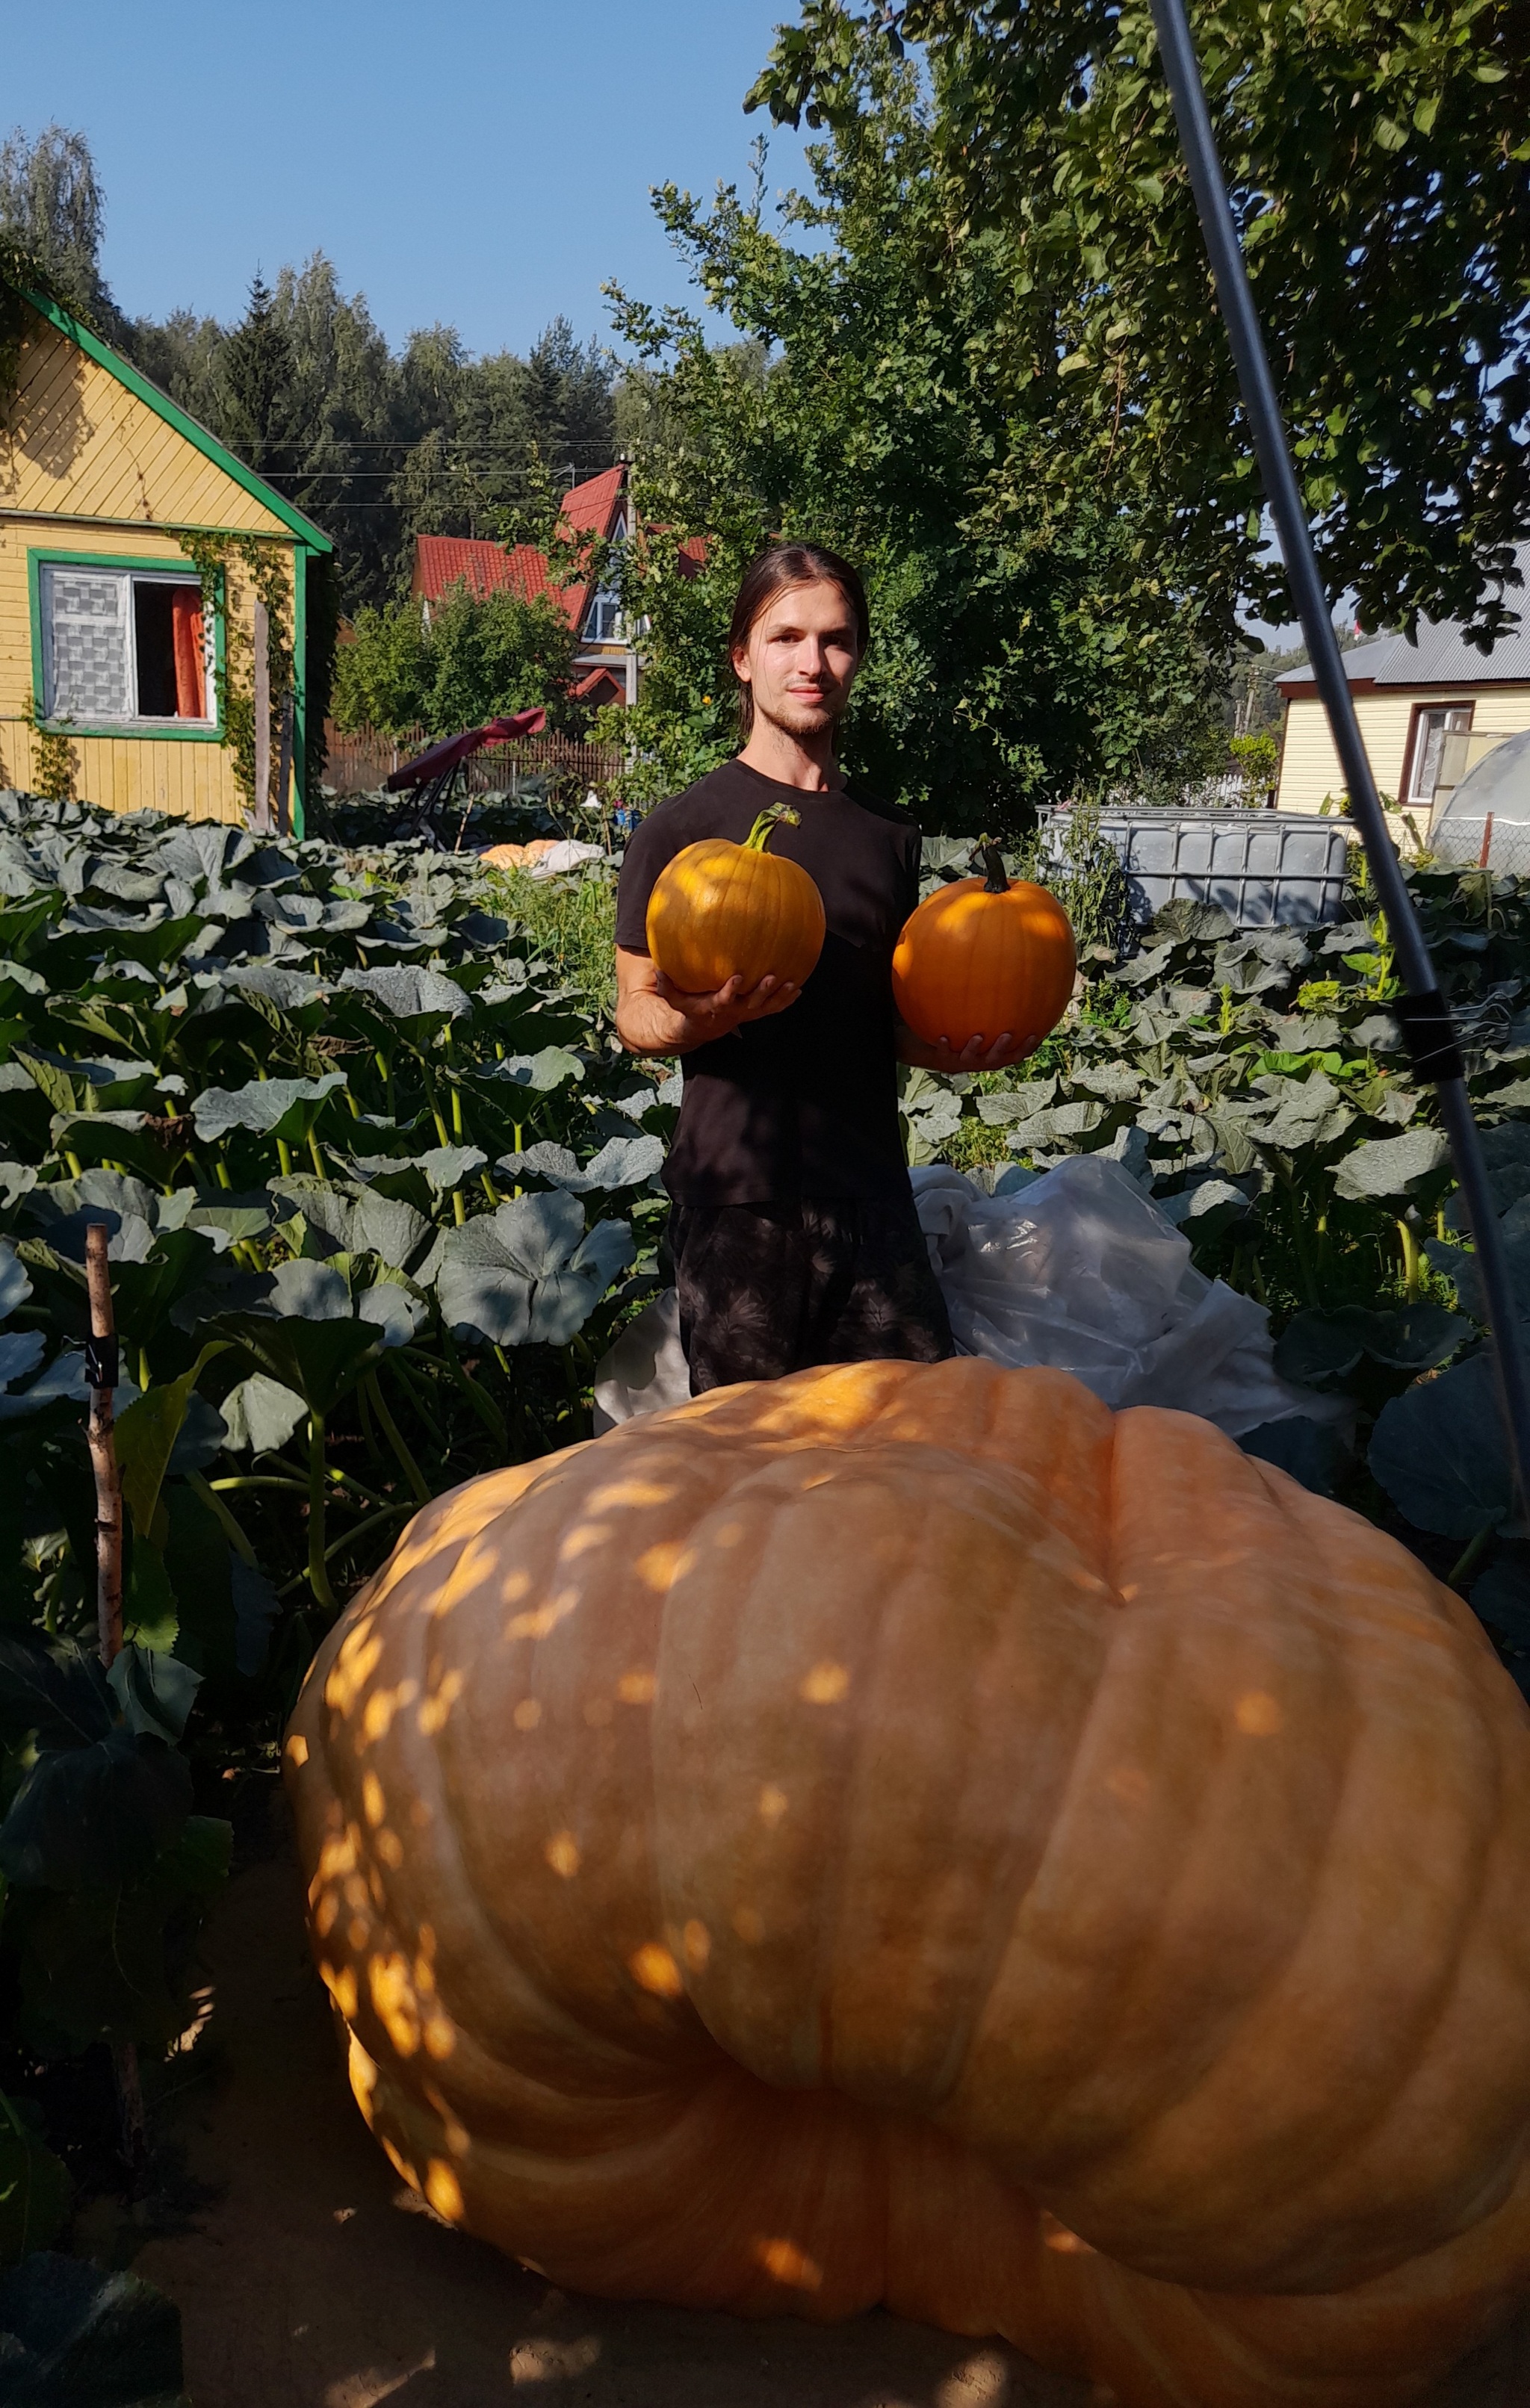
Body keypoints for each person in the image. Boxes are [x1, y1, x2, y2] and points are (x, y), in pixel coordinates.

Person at [614, 541, 1023, 1394]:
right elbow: (635, 1013)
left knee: (908, 1449)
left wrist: (952, 1046)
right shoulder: (678, 831)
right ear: (741, 657)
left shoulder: (888, 835)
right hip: (737, 1206)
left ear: (857, 656)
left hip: (871, 1194)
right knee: (743, 1468)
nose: (812, 662)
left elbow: (878, 1018)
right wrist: (698, 1020)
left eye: (835, 640)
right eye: (785, 637)